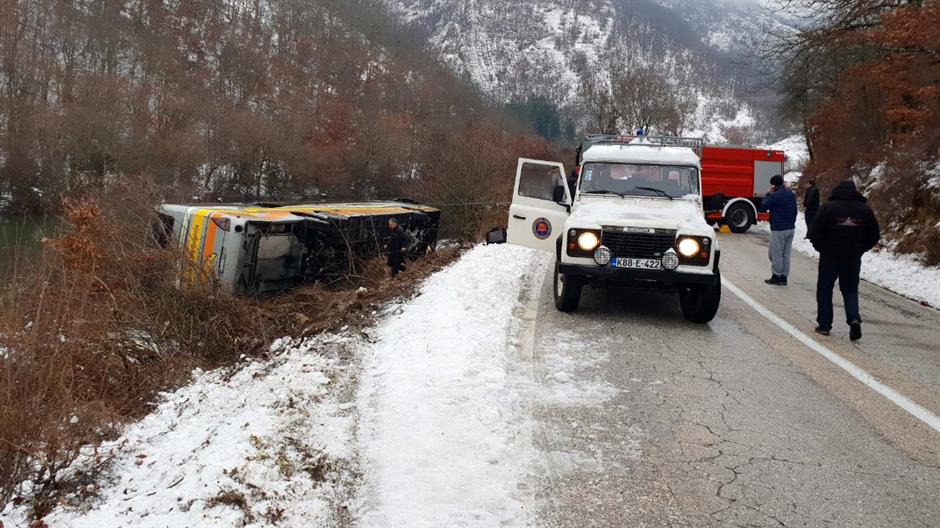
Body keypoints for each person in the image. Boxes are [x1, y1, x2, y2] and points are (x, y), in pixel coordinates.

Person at [807, 180, 880, 341]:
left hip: (829, 256)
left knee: (825, 289)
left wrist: (821, 247)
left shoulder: (827, 208)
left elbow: (814, 231)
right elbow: (874, 235)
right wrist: (861, 248)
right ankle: (853, 318)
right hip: (852, 257)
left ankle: (825, 325)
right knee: (850, 290)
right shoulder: (865, 210)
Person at [759, 175, 798, 285]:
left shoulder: (775, 196)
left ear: (773, 185)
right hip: (790, 228)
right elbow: (795, 210)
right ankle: (784, 277)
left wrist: (768, 194)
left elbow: (763, 206)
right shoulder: (790, 194)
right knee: (786, 254)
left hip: (779, 228)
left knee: (774, 254)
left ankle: (776, 275)